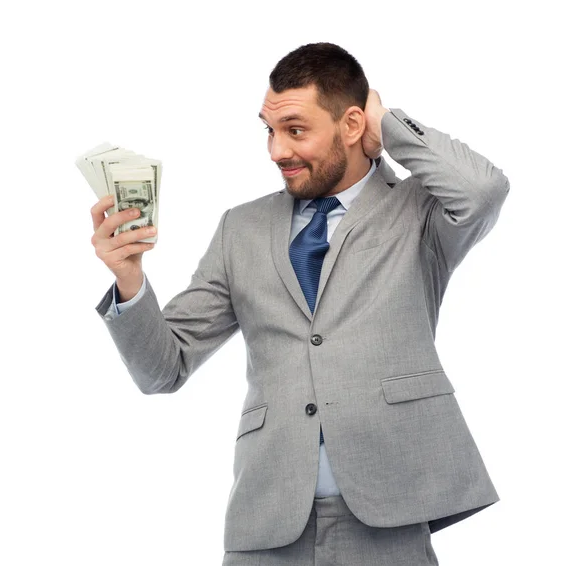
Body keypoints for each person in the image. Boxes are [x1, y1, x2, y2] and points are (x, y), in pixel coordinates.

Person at [90, 42, 509, 565]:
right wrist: (129, 279)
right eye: (269, 130)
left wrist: (387, 121)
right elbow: (163, 369)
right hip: (268, 523)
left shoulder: (418, 212)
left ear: (352, 125)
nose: (276, 151)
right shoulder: (240, 229)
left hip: (391, 514)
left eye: (295, 129)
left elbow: (483, 190)